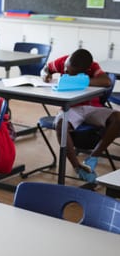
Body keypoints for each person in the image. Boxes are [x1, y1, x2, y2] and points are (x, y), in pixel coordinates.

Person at [41, 48, 118, 183]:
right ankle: (78, 167)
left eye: (69, 72)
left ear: (83, 71)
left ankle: (93, 157)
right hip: (71, 108)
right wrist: (45, 75)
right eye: (65, 68)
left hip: (92, 107)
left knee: (118, 118)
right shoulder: (63, 61)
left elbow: (106, 81)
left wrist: (80, 82)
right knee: (61, 124)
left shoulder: (92, 67)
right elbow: (46, 69)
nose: (65, 72)